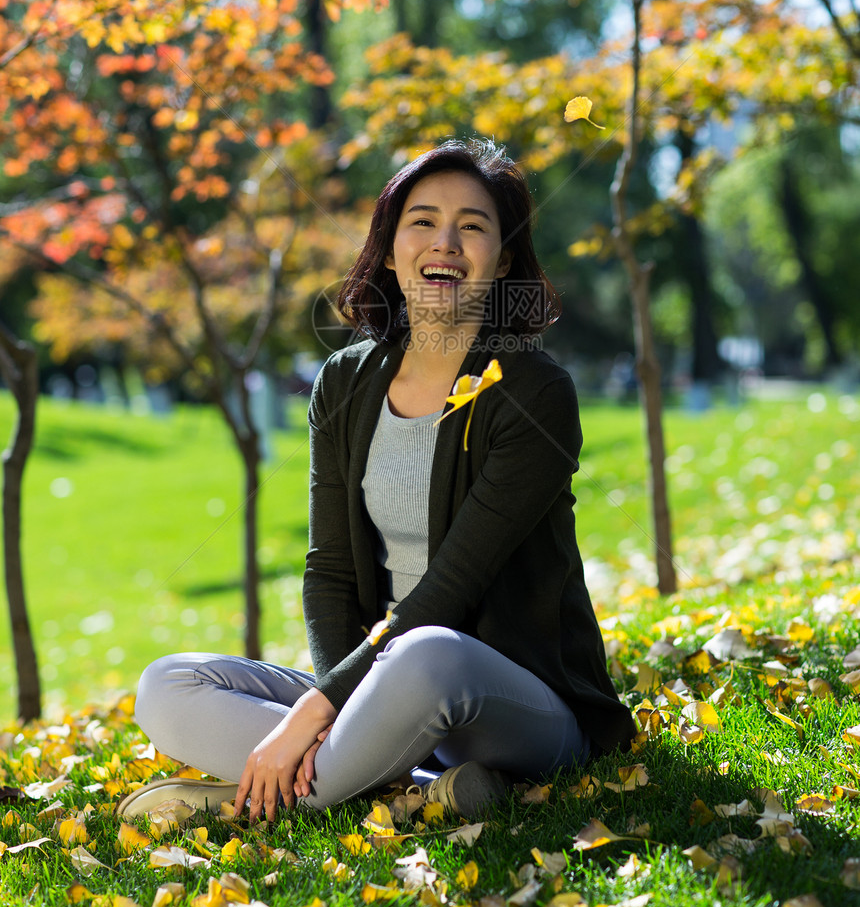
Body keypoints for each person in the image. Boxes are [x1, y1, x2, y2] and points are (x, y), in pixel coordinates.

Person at [121, 137, 634, 825]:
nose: (445, 243)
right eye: (422, 222)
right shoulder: (344, 381)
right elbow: (329, 570)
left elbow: (452, 589)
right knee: (166, 685)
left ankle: (259, 804)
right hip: (377, 694)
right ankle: (418, 786)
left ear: (503, 259)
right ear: (390, 249)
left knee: (426, 655)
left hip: (509, 698)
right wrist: (341, 707)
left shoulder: (533, 393)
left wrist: (317, 710)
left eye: (473, 227)